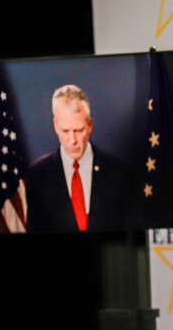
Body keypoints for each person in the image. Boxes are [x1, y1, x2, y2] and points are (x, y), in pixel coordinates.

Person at [26, 84, 139, 233]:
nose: (72, 140)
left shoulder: (118, 172)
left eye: (79, 130)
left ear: (89, 125)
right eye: (65, 131)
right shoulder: (38, 175)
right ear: (55, 126)